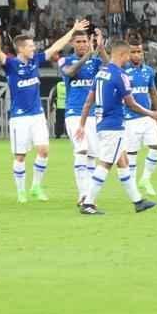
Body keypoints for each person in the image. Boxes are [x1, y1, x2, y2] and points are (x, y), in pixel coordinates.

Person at [0, 17, 89, 203]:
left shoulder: (35, 61)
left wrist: (73, 30)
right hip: (19, 117)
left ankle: (36, 186)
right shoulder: (11, 64)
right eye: (30, 46)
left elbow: (56, 47)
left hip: (37, 115)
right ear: (20, 49)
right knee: (20, 156)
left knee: (44, 150)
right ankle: (21, 191)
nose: (34, 48)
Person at [75, 40, 157, 215]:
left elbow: (89, 101)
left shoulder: (100, 73)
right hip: (114, 125)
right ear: (123, 55)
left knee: (123, 161)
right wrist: (151, 113)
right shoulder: (120, 75)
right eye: (128, 55)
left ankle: (138, 201)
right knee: (105, 163)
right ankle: (88, 203)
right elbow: (131, 103)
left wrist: (82, 124)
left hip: (102, 123)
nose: (129, 59)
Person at [58, 26, 105, 206]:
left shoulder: (95, 62)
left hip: (93, 113)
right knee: (81, 150)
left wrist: (100, 49)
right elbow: (70, 72)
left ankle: (89, 193)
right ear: (72, 43)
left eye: (85, 41)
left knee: (92, 156)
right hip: (74, 113)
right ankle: (83, 194)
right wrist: (88, 56)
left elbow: (110, 67)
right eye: (78, 42)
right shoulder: (65, 60)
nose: (83, 44)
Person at [123, 35, 157, 197]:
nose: (137, 55)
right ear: (128, 54)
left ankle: (146, 179)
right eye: (133, 52)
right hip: (129, 119)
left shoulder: (149, 71)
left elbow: (153, 93)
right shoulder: (123, 72)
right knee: (131, 155)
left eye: (139, 52)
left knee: (156, 147)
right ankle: (133, 188)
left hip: (147, 118)